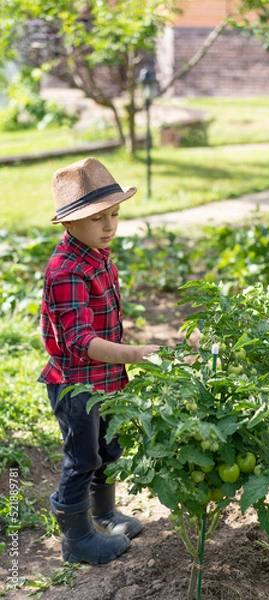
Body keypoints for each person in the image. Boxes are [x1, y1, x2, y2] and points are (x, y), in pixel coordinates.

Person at [38, 157, 159, 565]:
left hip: (105, 378)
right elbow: (81, 341)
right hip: (76, 384)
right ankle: (77, 539)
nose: (109, 226)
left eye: (114, 215)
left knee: (109, 447)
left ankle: (104, 515)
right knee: (83, 457)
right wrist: (134, 355)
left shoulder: (98, 254)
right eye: (97, 219)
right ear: (69, 223)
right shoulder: (67, 270)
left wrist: (122, 361)